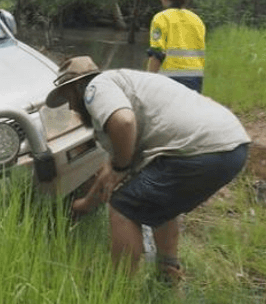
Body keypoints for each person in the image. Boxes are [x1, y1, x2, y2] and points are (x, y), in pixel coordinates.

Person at [46, 56, 249, 282]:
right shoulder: (127, 84)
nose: (71, 106)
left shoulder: (97, 87)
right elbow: (109, 170)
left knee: (123, 205)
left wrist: (121, 167)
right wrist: (85, 204)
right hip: (233, 146)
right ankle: (168, 274)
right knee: (158, 202)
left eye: (68, 97)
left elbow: (124, 123)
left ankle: (115, 290)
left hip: (200, 150)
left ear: (78, 86)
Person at [147, 0, 206, 93]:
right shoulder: (196, 19)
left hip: (170, 79)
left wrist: (147, 82)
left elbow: (157, 54)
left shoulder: (161, 18)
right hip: (195, 77)